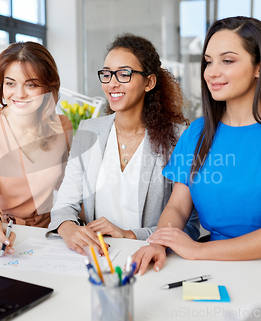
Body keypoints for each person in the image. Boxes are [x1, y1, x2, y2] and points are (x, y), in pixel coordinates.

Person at [132, 16, 261, 275]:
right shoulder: (197, 132)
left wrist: (197, 251)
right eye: (208, 61)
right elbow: (177, 206)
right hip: (213, 269)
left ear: (259, 67)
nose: (212, 72)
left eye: (227, 61)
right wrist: (160, 242)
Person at [46, 34, 200, 255]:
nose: (112, 83)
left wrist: (131, 234)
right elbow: (64, 204)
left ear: (149, 82)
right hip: (97, 256)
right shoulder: (89, 131)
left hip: (149, 256)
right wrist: (67, 227)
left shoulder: (178, 138)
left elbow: (190, 226)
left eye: (124, 73)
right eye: (107, 74)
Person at [0, 42, 72, 256]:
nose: (19, 94)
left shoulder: (62, 127)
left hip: (45, 234)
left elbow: (70, 189)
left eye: (31, 84)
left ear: (47, 88)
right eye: (10, 83)